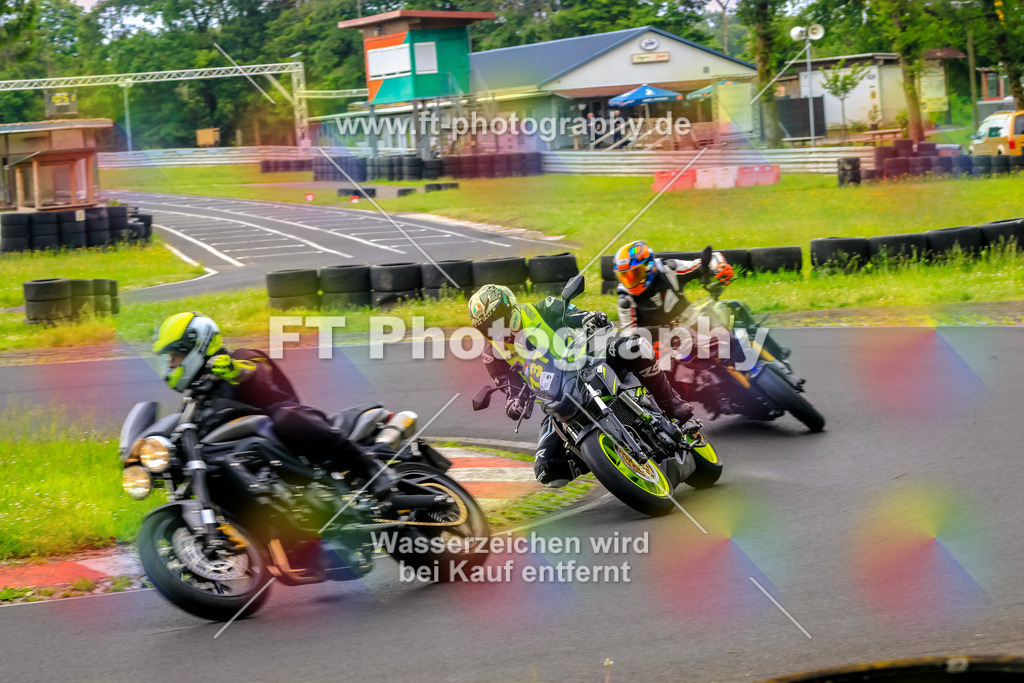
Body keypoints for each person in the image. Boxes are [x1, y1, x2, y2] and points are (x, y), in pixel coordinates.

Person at [468, 284, 693, 488]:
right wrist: (514, 403)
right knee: (547, 470)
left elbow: (576, 315)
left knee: (634, 347)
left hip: (588, 362)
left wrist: (590, 318)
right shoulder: (492, 356)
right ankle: (602, 459)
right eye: (486, 326)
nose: (495, 328)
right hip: (555, 397)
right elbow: (511, 387)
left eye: (497, 319)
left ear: (511, 308)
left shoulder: (543, 308)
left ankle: (670, 402)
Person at [152, 311, 394, 498]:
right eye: (168, 359)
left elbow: (258, 373)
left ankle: (370, 467)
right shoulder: (196, 399)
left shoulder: (240, 357)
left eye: (176, 356)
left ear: (197, 346)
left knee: (286, 417)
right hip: (251, 465)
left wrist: (235, 371)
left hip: (292, 438)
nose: (171, 364)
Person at [613, 240, 790, 400]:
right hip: (661, 341)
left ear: (648, 267)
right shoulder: (626, 298)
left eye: (634, 274)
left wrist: (720, 268)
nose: (630, 281)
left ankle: (778, 355)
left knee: (733, 313)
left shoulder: (669, 269)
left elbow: (705, 262)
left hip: (689, 319)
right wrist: (646, 347)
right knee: (661, 381)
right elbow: (629, 332)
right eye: (624, 277)